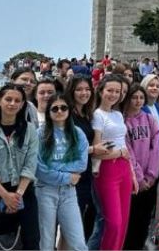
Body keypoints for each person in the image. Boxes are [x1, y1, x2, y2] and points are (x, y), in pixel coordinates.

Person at [0, 83, 41, 250]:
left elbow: (31, 163)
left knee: (31, 241)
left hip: (24, 192)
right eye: (8, 99)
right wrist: (5, 196)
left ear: (22, 104)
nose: (12, 103)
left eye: (17, 100)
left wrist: (17, 196)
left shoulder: (29, 130)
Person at [36, 93, 89, 251]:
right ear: (49, 111)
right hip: (45, 191)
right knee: (46, 242)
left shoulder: (77, 133)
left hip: (69, 193)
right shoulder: (40, 133)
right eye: (55, 108)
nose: (59, 111)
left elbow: (81, 164)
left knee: (78, 242)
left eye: (63, 107)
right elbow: (39, 169)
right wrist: (66, 176)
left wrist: (54, 167)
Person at [92, 74, 136, 250]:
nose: (114, 94)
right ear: (101, 91)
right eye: (110, 90)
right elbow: (97, 151)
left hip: (124, 168)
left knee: (124, 221)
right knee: (114, 222)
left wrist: (132, 172)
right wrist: (118, 153)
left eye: (117, 91)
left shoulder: (118, 114)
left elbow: (123, 144)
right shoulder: (97, 115)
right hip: (107, 170)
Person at [65, 75, 106, 242]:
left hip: (86, 173)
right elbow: (67, 147)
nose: (84, 93)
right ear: (72, 91)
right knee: (71, 225)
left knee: (85, 220)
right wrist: (93, 149)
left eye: (87, 89)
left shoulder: (86, 113)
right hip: (74, 175)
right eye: (79, 89)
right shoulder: (68, 115)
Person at [123, 84, 159, 250]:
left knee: (144, 218)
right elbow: (128, 151)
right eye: (134, 97)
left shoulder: (149, 119)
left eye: (141, 98)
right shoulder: (123, 121)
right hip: (132, 179)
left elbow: (155, 147)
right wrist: (139, 177)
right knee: (131, 217)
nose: (138, 101)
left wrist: (151, 175)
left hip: (149, 177)